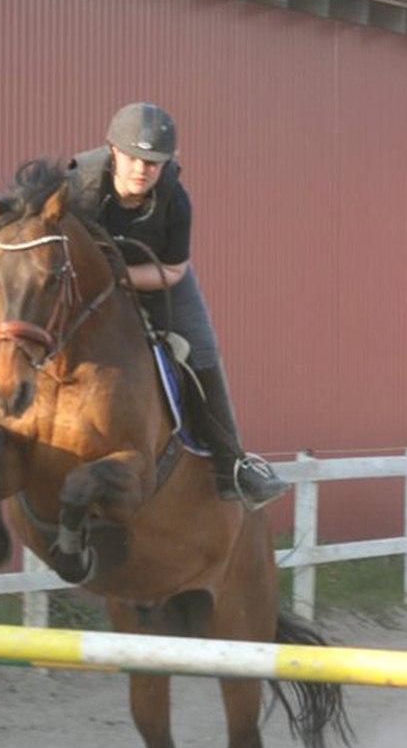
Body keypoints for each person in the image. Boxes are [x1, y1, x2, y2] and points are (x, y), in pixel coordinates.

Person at [68, 101, 289, 509]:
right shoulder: (76, 187)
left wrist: (119, 278)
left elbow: (172, 271)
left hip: (155, 278)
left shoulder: (175, 199)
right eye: (134, 158)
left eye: (153, 162)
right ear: (113, 151)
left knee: (202, 348)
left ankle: (233, 466)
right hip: (87, 282)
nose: (142, 170)